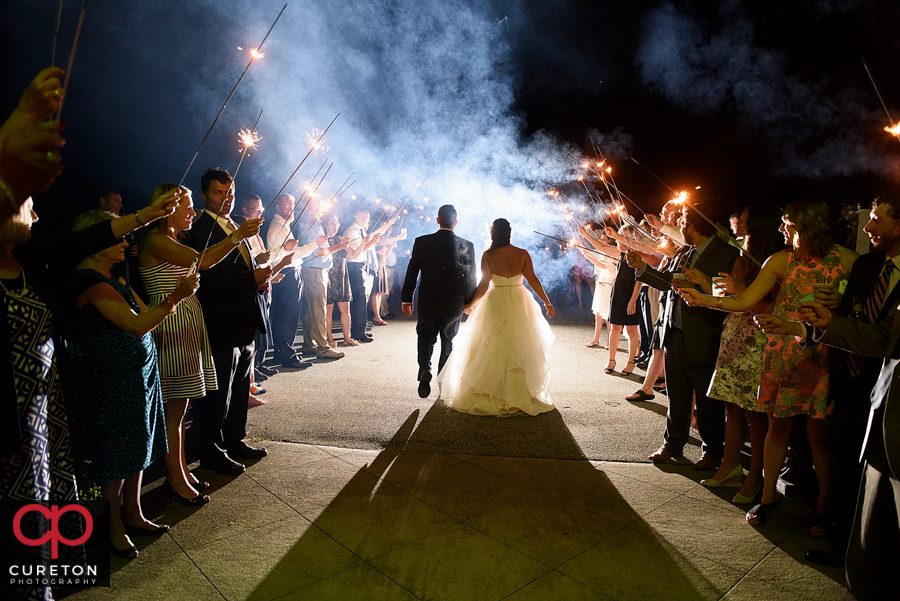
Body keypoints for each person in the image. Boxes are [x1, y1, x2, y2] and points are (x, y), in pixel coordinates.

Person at [679, 197, 857, 526]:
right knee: (777, 429)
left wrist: (842, 301)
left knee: (819, 435)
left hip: (822, 354)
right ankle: (767, 498)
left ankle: (825, 506)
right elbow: (745, 299)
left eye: (787, 222)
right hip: (782, 354)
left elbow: (856, 309)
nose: (780, 228)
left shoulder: (848, 261)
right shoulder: (779, 260)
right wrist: (704, 297)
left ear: (807, 226)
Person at [71, 209, 199, 559]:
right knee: (116, 453)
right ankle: (112, 525)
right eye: (119, 237)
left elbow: (148, 318)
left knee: (140, 443)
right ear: (96, 243)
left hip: (138, 374)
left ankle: (134, 512)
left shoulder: (116, 279)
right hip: (112, 380)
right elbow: (136, 326)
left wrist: (175, 297)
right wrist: (177, 296)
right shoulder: (89, 280)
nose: (127, 242)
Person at [139, 184, 261, 501]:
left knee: (180, 409)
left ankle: (179, 469)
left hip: (187, 321)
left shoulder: (173, 239)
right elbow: (203, 261)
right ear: (168, 207)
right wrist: (237, 236)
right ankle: (176, 478)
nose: (193, 212)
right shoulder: (155, 240)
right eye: (188, 206)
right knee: (174, 410)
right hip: (172, 324)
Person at [792, 277, 900, 601]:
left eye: (881, 219)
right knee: (870, 537)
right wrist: (829, 324)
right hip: (887, 413)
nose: (870, 225)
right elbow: (883, 339)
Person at [626, 202, 740, 471]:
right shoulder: (683, 251)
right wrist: (641, 267)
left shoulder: (727, 254)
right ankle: (672, 443)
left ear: (696, 225)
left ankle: (712, 450)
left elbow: (729, 296)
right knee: (677, 394)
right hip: (673, 332)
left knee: (707, 399)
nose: (681, 226)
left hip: (704, 334)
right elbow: (667, 282)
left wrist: (701, 283)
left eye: (685, 222)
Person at [184, 168, 270, 476]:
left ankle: (235, 439)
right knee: (218, 393)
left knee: (240, 386)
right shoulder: (200, 229)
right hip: (220, 321)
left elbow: (238, 268)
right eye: (219, 193)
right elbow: (207, 282)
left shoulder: (235, 224)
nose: (226, 198)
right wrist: (250, 279)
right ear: (205, 195)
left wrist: (259, 276)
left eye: (230, 192)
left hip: (243, 320)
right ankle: (211, 450)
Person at [697, 206, 784, 505]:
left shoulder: (773, 260)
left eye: (745, 217)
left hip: (759, 338)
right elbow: (728, 298)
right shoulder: (742, 255)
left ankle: (755, 476)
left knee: (757, 413)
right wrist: (701, 287)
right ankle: (729, 465)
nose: (737, 220)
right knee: (731, 406)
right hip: (734, 334)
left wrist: (739, 290)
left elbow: (772, 308)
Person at [436, 218, 555, 416]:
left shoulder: (488, 255)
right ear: (510, 233)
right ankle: (519, 394)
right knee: (520, 343)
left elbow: (484, 285)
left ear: (493, 234)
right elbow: (532, 279)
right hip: (519, 299)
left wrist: (470, 305)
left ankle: (491, 391)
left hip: (496, 298)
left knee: (492, 343)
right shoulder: (522, 254)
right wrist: (547, 302)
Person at [401, 204, 477, 398]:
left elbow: (413, 271)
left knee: (425, 335)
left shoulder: (422, 242)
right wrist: (470, 303)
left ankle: (425, 368)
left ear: (437, 220)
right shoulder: (466, 245)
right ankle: (443, 379)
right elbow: (470, 277)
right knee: (449, 339)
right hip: (454, 301)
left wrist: (406, 298)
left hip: (428, 298)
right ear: (456, 222)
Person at [265, 193, 320, 369]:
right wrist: (314, 244)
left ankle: (281, 354)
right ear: (278, 207)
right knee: (287, 316)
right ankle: (287, 355)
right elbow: (291, 254)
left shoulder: (283, 226)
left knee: (285, 315)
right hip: (287, 273)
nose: (290, 209)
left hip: (289, 271)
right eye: (286, 206)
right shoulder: (278, 227)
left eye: (292, 206)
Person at [298, 197, 351, 360]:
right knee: (319, 310)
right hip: (314, 270)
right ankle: (323, 347)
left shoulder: (314, 224)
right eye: (319, 205)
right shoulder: (312, 226)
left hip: (317, 270)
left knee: (311, 310)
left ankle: (308, 343)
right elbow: (318, 252)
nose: (323, 207)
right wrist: (340, 246)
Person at [343, 209, 396, 343]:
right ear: (355, 215)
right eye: (361, 216)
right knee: (360, 299)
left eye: (366, 217)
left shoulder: (361, 230)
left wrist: (387, 226)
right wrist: (371, 243)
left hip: (363, 266)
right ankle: (358, 333)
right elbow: (355, 253)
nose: (364, 219)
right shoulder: (351, 231)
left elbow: (374, 235)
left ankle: (360, 331)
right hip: (355, 267)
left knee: (363, 299)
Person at [604, 226, 643, 376]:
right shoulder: (621, 254)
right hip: (618, 293)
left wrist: (633, 300)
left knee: (631, 330)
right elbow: (602, 247)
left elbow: (640, 280)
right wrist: (584, 234)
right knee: (614, 328)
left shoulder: (637, 255)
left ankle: (631, 362)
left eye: (623, 237)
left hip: (631, 295)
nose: (619, 239)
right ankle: (611, 360)